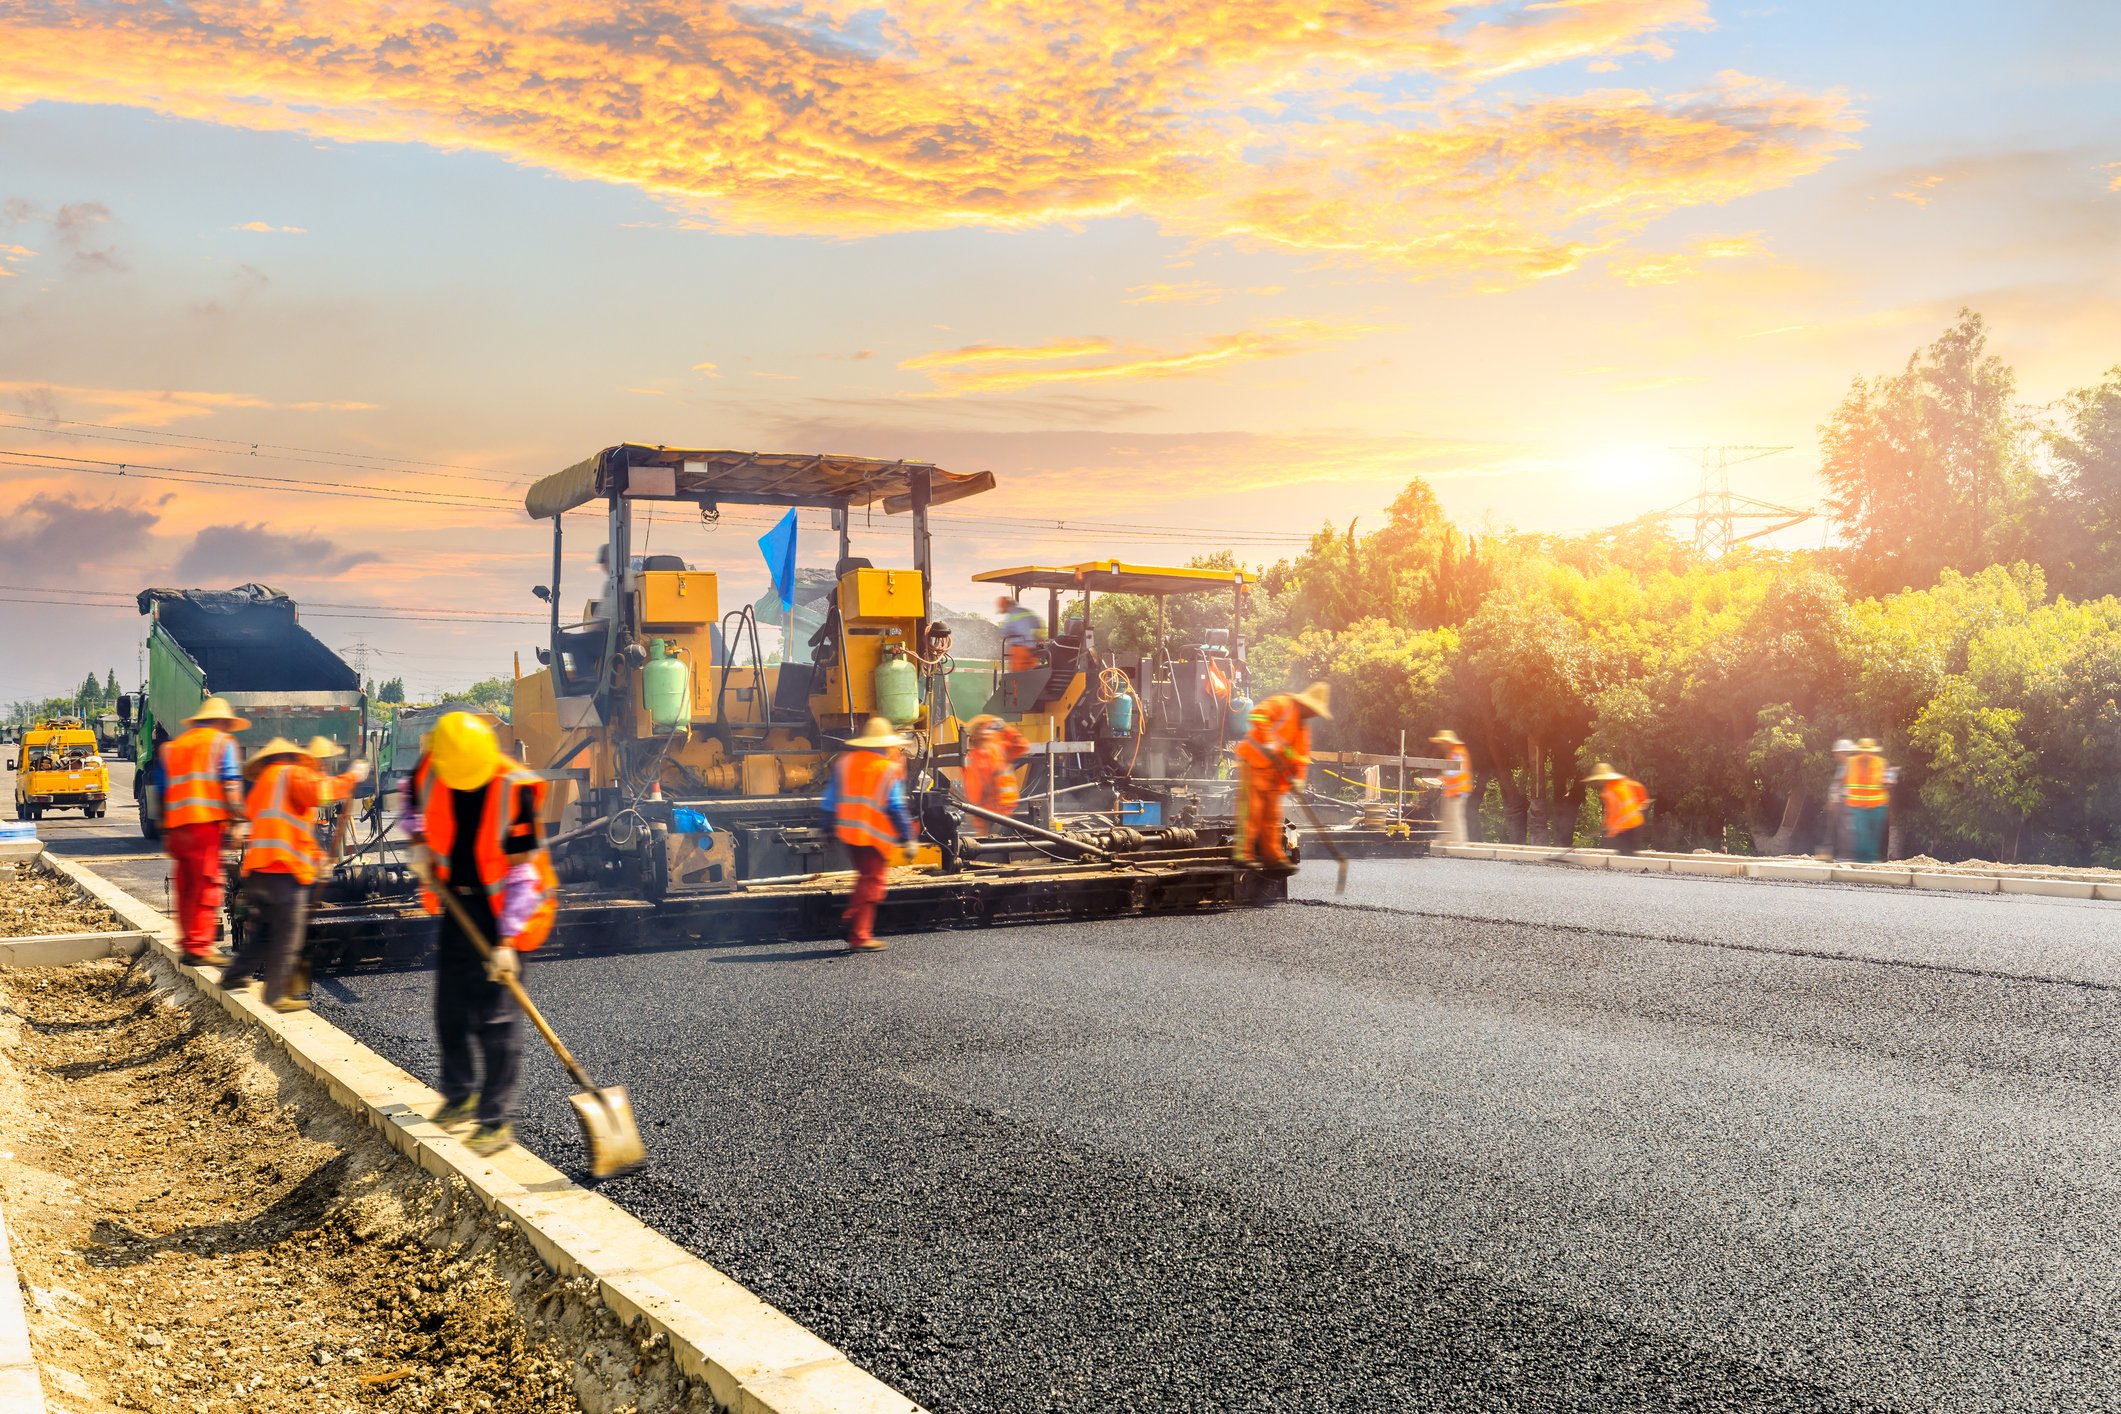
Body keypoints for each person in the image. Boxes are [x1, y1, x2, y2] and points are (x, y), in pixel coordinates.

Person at [411, 712, 557, 1156]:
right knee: (450, 1005)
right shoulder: (432, 769)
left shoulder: (513, 789)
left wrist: (507, 941)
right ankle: (459, 1096)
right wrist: (419, 844)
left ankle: (494, 1120)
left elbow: (523, 875)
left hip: (508, 905)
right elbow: (415, 808)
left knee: (496, 1016)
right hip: (457, 898)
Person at [224, 737, 367, 1010]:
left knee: (264, 931)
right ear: (309, 761)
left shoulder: (265, 782)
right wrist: (352, 776)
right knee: (288, 932)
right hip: (282, 871)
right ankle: (276, 994)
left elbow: (291, 831)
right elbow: (323, 792)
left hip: (259, 870)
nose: (324, 768)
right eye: (323, 764)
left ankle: (233, 976)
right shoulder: (295, 773)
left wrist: (317, 860)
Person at [155, 696, 251, 965]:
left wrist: (165, 827)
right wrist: (238, 821)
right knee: (206, 884)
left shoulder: (174, 747)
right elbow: (230, 785)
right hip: (204, 826)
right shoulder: (221, 743)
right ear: (222, 722)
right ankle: (199, 947)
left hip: (176, 828)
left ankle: (188, 944)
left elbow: (162, 792)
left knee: (185, 888)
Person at [823, 715, 917, 952]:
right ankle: (856, 931)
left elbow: (830, 799)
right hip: (874, 837)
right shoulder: (886, 769)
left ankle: (855, 927)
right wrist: (908, 839)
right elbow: (895, 806)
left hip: (849, 834)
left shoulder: (845, 762)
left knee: (865, 878)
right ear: (886, 744)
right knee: (873, 882)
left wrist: (826, 827)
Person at [1232, 681, 1332, 871]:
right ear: (1306, 704)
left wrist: (1299, 779)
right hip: (1254, 763)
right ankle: (1242, 854)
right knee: (1252, 811)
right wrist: (1269, 742)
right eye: (1313, 710)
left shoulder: (1303, 729)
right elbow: (1258, 715)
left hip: (1273, 775)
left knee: (1272, 816)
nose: (1313, 714)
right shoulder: (1282, 704)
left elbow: (1300, 758)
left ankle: (1273, 857)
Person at [960, 713, 1029, 818]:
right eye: (982, 729)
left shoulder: (998, 749)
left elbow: (1022, 746)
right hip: (991, 811)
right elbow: (974, 789)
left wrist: (1004, 728)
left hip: (1001, 809)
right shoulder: (976, 757)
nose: (985, 732)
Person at [1583, 762, 1650, 854]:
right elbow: (1639, 788)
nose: (1598, 782)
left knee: (1624, 856)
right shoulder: (1624, 783)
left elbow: (1612, 811)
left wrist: (1609, 829)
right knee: (1630, 854)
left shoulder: (1610, 791)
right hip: (1636, 824)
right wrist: (1642, 802)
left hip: (1625, 828)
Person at [1844, 737, 1890, 863]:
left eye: (1868, 751)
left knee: (1874, 834)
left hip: (1878, 805)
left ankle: (1871, 858)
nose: (1866, 754)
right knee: (1862, 833)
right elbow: (1845, 781)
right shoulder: (1851, 762)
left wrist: (1888, 781)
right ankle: (1864, 860)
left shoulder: (1881, 763)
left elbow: (1886, 782)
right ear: (1859, 751)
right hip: (1857, 805)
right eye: (1863, 751)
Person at [1429, 730, 1474, 844]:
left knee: (1454, 818)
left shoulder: (1457, 753)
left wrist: (1442, 777)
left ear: (1448, 742)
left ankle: (1458, 843)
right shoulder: (1454, 752)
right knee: (1449, 817)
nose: (1442, 745)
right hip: (1454, 791)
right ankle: (1445, 840)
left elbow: (1454, 771)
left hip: (1458, 791)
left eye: (1443, 742)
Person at [1822, 737, 1856, 860]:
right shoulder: (1845, 765)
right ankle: (1844, 854)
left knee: (1844, 828)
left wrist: (1833, 799)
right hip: (1842, 800)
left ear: (1844, 753)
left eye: (1837, 752)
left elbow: (1841, 783)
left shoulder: (1848, 765)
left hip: (1844, 801)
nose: (1835, 755)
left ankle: (1847, 855)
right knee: (1841, 827)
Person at [997, 595, 1046, 673]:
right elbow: (1039, 623)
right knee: (1033, 673)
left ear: (1005, 605)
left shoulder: (1011, 616)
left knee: (1015, 677)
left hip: (1019, 650)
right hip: (1032, 650)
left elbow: (1004, 633)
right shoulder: (1026, 612)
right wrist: (1038, 637)